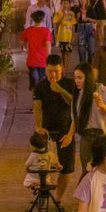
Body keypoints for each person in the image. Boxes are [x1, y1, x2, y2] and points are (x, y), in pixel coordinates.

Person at [33, 54, 76, 202]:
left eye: (56, 71)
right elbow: (37, 107)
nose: (53, 74)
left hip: (66, 130)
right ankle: (43, 195)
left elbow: (74, 104)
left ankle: (58, 199)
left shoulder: (70, 84)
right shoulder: (40, 86)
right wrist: (38, 126)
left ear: (62, 69)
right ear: (45, 70)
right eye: (50, 70)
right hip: (47, 131)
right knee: (44, 166)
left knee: (67, 167)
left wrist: (60, 90)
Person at [64, 64, 106, 177]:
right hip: (86, 136)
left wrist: (102, 106)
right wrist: (69, 135)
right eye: (75, 78)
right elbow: (74, 118)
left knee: (103, 169)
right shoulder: (77, 95)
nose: (77, 81)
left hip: (102, 136)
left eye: (80, 78)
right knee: (87, 170)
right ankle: (90, 193)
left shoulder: (101, 90)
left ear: (88, 77)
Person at [20, 10, 52, 90]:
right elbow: (48, 44)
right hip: (43, 59)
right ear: (43, 19)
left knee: (35, 79)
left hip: (32, 59)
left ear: (33, 20)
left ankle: (36, 93)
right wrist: (49, 56)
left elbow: (22, 41)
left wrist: (23, 47)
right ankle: (41, 95)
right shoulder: (46, 31)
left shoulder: (28, 30)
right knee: (43, 78)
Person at [54, 0, 77, 68]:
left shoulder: (72, 13)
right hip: (61, 36)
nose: (65, 5)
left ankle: (66, 68)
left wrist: (73, 36)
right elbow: (56, 23)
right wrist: (63, 15)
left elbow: (73, 25)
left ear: (69, 4)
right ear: (61, 4)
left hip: (69, 37)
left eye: (67, 3)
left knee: (68, 53)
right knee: (63, 53)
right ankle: (63, 66)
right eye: (64, 3)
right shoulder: (58, 13)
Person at [75, 0, 97, 65]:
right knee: (81, 49)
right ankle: (82, 66)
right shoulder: (76, 9)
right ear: (79, 0)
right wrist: (77, 18)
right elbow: (74, 22)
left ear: (87, 0)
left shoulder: (90, 8)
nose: (82, 1)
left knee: (91, 50)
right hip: (80, 28)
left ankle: (89, 64)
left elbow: (95, 20)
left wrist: (88, 19)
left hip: (89, 28)